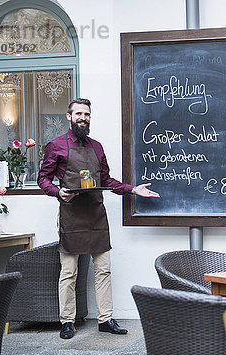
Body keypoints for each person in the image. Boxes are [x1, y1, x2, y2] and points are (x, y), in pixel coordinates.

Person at [38, 98, 159, 339]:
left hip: (95, 214)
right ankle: (67, 321)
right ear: (69, 116)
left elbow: (106, 181)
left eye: (87, 114)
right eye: (79, 114)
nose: (83, 118)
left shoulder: (97, 147)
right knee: (69, 272)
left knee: (103, 270)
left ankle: (106, 319)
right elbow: (43, 178)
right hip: (71, 215)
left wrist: (133, 189)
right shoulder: (56, 145)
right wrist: (57, 192)